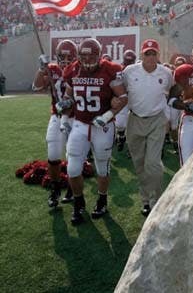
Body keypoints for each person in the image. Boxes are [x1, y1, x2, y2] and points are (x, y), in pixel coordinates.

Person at [58, 38, 128, 225]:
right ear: (78, 56)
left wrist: (107, 116)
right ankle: (79, 202)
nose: (88, 59)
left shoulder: (109, 70)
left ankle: (102, 200)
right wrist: (65, 115)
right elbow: (68, 96)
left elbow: (122, 97)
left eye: (92, 55)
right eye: (84, 55)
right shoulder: (72, 70)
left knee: (102, 168)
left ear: (99, 55)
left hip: (102, 126)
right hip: (80, 124)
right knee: (73, 169)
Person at [122, 39, 174, 217]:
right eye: (147, 53)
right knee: (140, 164)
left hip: (156, 120)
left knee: (153, 164)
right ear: (141, 55)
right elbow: (120, 91)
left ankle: (156, 200)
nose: (151, 57)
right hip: (135, 120)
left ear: (158, 55)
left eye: (154, 53)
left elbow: (171, 91)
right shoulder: (129, 72)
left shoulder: (166, 73)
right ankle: (145, 199)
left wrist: (167, 116)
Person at [32, 40, 78, 208]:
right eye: (62, 56)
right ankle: (55, 189)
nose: (65, 59)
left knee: (73, 155)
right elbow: (36, 86)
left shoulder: (80, 70)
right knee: (53, 155)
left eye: (69, 56)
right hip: (57, 117)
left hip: (76, 118)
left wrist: (66, 104)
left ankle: (73, 189)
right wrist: (42, 69)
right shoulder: (52, 69)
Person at [115, 49, 137, 151]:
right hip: (123, 97)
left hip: (134, 98)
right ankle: (121, 136)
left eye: (130, 62)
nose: (129, 64)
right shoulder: (119, 69)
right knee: (120, 123)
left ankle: (130, 145)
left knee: (134, 122)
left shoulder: (138, 70)